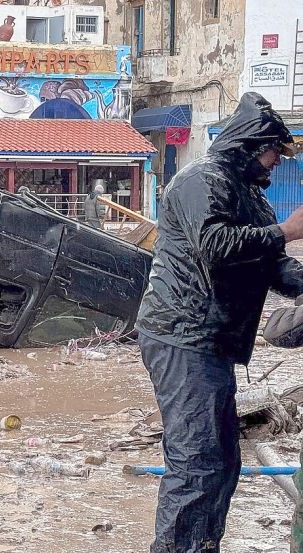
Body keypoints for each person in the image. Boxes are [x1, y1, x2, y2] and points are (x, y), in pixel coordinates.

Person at [136, 92, 303, 553]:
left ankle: (201, 545)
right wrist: (287, 230)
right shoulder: (200, 180)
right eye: (273, 152)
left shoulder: (254, 199)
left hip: (212, 343)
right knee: (196, 461)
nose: (275, 163)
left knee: (223, 458)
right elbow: (215, 244)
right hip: (180, 336)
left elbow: (273, 266)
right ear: (250, 145)